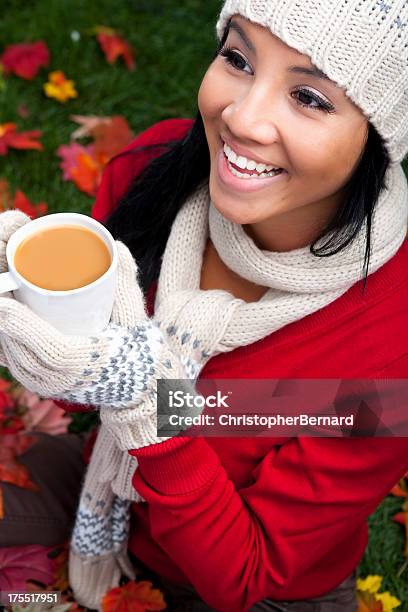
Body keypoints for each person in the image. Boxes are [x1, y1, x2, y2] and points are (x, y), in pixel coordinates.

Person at [0, 1, 408, 611]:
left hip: (244, 580)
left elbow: (243, 576)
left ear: (377, 137)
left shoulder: (388, 349)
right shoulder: (155, 169)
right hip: (107, 484)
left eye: (311, 98)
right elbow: (78, 392)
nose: (240, 118)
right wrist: (41, 320)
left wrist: (150, 410)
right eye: (238, 59)